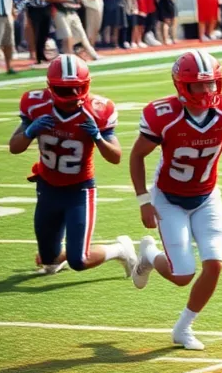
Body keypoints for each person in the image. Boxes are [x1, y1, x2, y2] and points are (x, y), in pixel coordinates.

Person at [128, 51, 222, 350]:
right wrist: (143, 199)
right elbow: (138, 154)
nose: (208, 92)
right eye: (199, 86)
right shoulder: (163, 115)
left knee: (215, 264)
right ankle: (150, 256)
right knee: (182, 276)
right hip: (169, 199)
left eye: (212, 84)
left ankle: (183, 328)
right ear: (182, 86)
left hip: (207, 196)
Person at [8, 56, 136, 277]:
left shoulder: (97, 110)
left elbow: (115, 157)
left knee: (79, 260)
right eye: (65, 90)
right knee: (48, 263)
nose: (73, 96)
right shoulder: (37, 105)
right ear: (51, 87)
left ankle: (119, 249)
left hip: (79, 190)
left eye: (78, 88)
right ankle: (60, 254)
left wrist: (98, 137)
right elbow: (14, 147)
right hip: (47, 188)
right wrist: (30, 131)